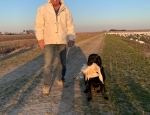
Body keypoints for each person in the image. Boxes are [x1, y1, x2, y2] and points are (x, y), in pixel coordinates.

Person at [34, 0, 75, 95]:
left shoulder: (66, 10)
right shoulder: (42, 9)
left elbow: (70, 25)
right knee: (48, 64)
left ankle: (61, 80)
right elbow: (39, 25)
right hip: (49, 41)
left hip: (62, 40)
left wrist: (71, 38)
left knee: (63, 63)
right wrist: (40, 39)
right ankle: (47, 85)